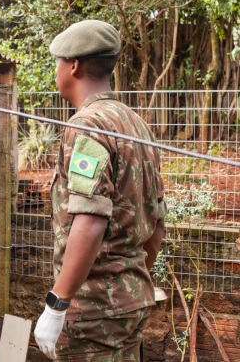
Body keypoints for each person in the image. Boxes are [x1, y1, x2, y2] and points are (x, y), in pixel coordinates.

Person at [34, 20, 167, 361]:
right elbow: (156, 222)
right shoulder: (136, 124)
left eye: (57, 63)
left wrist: (57, 303)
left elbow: (90, 220)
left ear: (73, 66)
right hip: (132, 300)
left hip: (93, 313)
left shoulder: (87, 125)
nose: (57, 70)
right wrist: (128, 282)